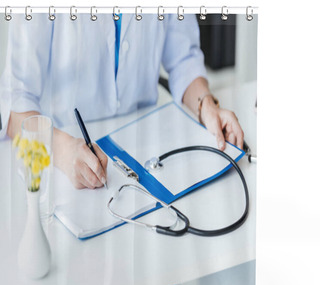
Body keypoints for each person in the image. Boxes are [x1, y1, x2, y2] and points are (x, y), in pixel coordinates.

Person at [0, 13, 244, 190]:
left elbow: (183, 60)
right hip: (60, 172)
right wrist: (61, 150)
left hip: (146, 158)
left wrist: (206, 106)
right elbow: (13, 113)